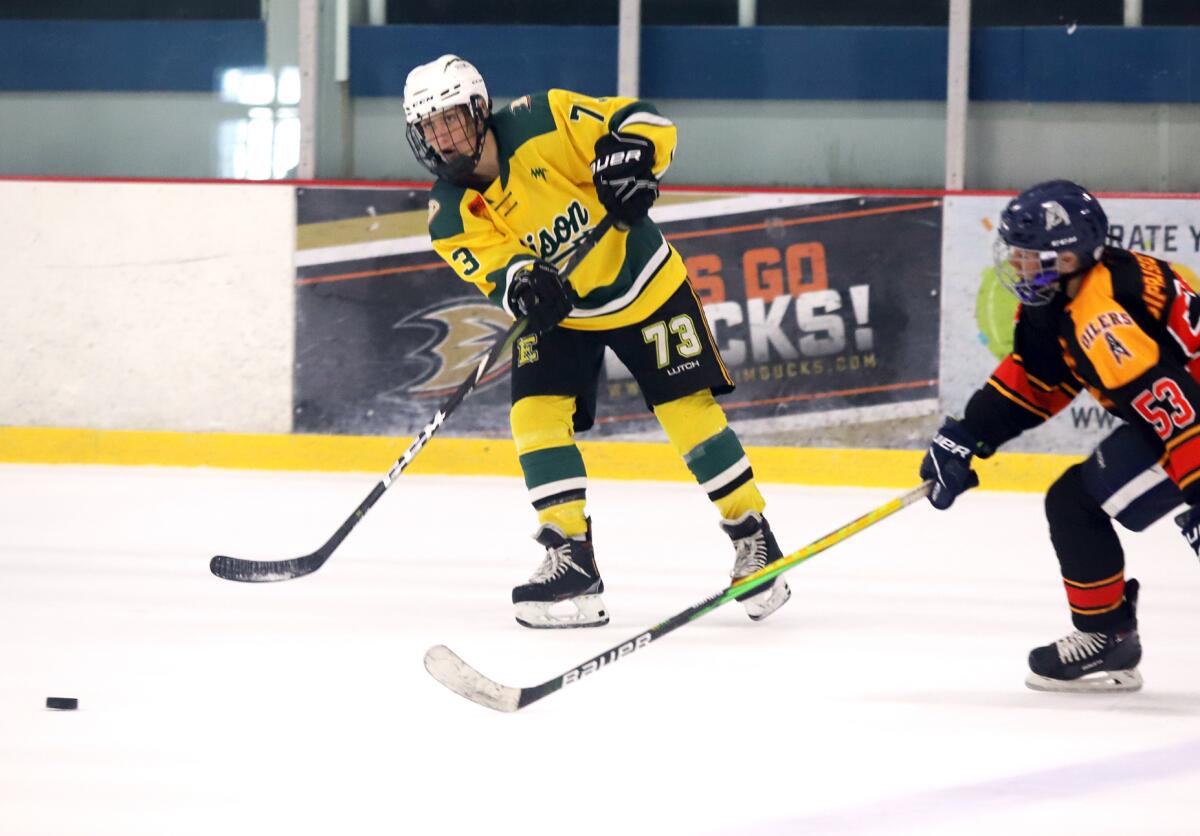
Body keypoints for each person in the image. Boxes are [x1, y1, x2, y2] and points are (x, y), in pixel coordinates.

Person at [402, 55, 791, 628]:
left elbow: (644, 122)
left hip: (646, 285)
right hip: (566, 314)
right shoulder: (448, 213)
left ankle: (755, 538)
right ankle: (572, 560)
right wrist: (523, 284)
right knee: (533, 414)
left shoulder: (542, 119)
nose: (442, 136)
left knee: (687, 409)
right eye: (429, 127)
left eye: (451, 119)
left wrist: (632, 160)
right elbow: (497, 271)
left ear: (480, 111)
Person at [920, 179, 1200, 692]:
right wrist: (967, 435)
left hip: (1190, 419)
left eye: (1029, 255)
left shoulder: (1104, 317)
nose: (1018, 264)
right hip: (1182, 415)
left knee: (1076, 503)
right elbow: (1039, 376)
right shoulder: (1063, 297)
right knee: (1073, 501)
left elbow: (1179, 414)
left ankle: (1105, 635)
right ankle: (1105, 636)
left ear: (1069, 258)